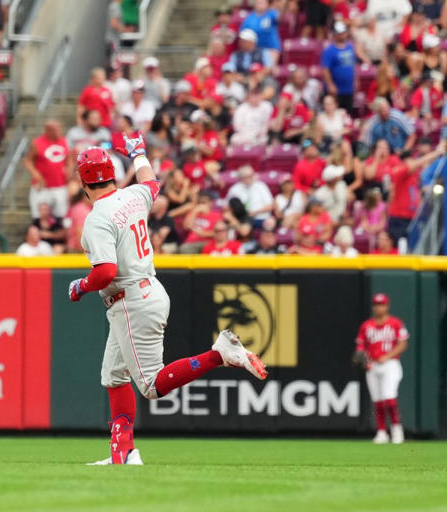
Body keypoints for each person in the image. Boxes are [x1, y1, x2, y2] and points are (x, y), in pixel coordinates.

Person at [68, 137, 267, 465]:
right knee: (113, 376)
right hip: (146, 290)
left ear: (82, 181)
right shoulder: (133, 194)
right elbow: (151, 182)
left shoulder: (97, 217)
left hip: (130, 297)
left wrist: (80, 286)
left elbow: (104, 272)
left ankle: (219, 354)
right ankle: (123, 453)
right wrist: (138, 152)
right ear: (112, 174)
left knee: (150, 385)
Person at [354, 293, 409, 444]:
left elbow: (403, 343)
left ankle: (397, 431)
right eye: (376, 304)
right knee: (377, 401)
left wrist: (388, 355)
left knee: (389, 399)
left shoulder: (396, 323)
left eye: (382, 304)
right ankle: (382, 432)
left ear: (387, 306)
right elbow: (360, 348)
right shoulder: (366, 326)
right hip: (373, 366)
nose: (379, 307)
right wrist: (364, 361)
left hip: (390, 364)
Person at [25, 120, 72, 219]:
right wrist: (35, 174)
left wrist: (69, 171)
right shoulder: (37, 143)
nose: (59, 132)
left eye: (59, 129)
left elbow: (69, 160)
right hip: (42, 186)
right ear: (48, 131)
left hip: (60, 185)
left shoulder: (64, 142)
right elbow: (28, 161)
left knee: (61, 215)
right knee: (38, 215)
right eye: (55, 130)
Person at [321, 21, 357, 114]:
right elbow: (325, 69)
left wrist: (356, 80)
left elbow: (353, 65)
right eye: (339, 34)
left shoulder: (350, 47)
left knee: (348, 113)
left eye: (343, 33)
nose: (341, 35)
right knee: (335, 113)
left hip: (348, 88)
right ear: (335, 35)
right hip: (336, 89)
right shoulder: (329, 50)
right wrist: (330, 84)